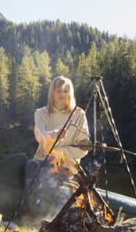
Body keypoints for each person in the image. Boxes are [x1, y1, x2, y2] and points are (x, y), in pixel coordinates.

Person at [23, 76, 90, 220]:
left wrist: (61, 153)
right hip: (43, 162)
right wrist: (56, 135)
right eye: (58, 91)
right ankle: (32, 216)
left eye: (66, 91)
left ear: (70, 93)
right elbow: (40, 137)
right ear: (52, 93)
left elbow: (84, 147)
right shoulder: (41, 113)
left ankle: (54, 218)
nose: (62, 94)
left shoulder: (79, 114)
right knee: (32, 166)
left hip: (68, 165)